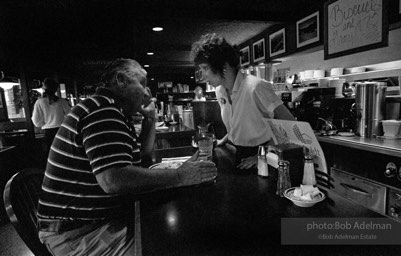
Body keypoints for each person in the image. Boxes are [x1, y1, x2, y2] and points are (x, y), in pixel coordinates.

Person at [37, 59, 217, 256]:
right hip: (78, 234)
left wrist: (150, 119)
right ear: (121, 80)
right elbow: (113, 180)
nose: (148, 92)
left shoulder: (110, 109)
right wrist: (179, 176)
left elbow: (143, 156)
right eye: (143, 83)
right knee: (168, 244)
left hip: (90, 224)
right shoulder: (102, 110)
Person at [191, 33, 294, 170]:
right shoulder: (220, 91)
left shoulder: (255, 87)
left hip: (262, 158)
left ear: (223, 66)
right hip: (237, 154)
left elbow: (289, 122)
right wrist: (223, 140)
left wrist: (263, 155)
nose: (202, 76)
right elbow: (241, 124)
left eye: (205, 68)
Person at [31, 77, 71, 159]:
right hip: (61, 132)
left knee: (50, 156)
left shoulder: (39, 102)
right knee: (62, 155)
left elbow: (36, 121)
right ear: (56, 90)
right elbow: (70, 116)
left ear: (44, 88)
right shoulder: (62, 101)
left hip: (48, 133)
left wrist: (45, 123)